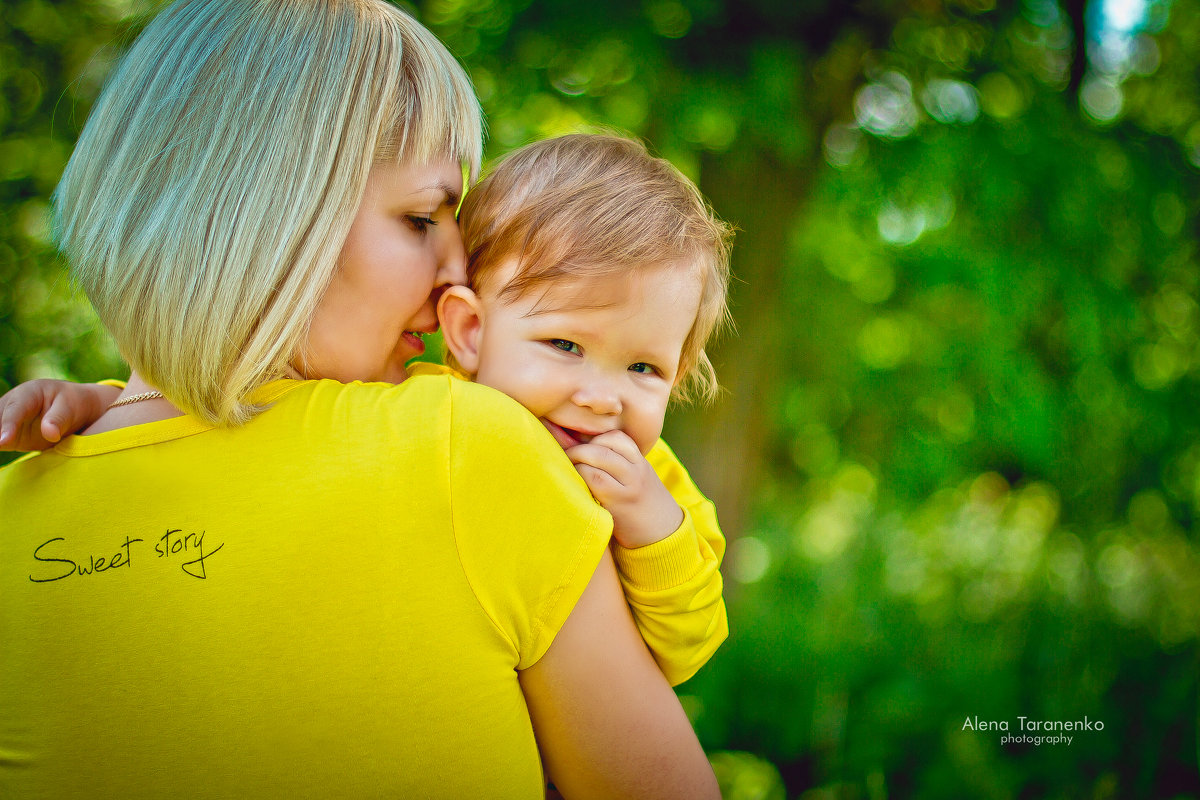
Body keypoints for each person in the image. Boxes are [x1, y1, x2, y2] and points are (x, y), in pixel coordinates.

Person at [0, 1, 721, 798]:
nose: (457, 267)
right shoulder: (464, 448)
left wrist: (114, 406)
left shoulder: (19, 508)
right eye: (421, 217)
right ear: (271, 215)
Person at [4, 132, 735, 688]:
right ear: (470, 332)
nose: (603, 395)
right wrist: (106, 403)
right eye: (565, 344)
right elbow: (249, 409)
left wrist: (653, 532)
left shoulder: (651, 479)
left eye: (645, 369)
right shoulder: (412, 412)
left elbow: (688, 648)